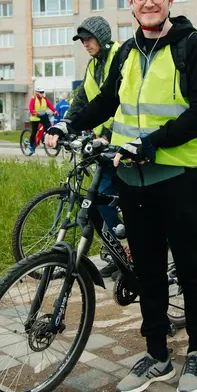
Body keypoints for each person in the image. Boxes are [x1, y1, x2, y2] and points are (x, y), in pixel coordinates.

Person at [46, 0, 197, 392]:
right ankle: (158, 354)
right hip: (132, 179)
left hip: (179, 176)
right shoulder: (124, 52)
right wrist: (68, 123)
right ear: (130, 2)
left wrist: (152, 142)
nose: (148, 2)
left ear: (170, 0)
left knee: (191, 265)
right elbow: (106, 102)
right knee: (146, 271)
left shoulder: (192, 46)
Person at [66, 16, 125, 277]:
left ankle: (128, 248)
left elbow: (122, 101)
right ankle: (118, 252)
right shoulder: (93, 67)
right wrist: (65, 124)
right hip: (105, 143)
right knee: (102, 197)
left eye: (88, 39)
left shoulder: (121, 57)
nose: (85, 44)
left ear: (101, 37)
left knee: (108, 194)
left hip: (124, 141)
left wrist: (110, 135)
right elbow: (82, 100)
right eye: (82, 41)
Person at [28, 86, 55, 151]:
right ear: (37, 92)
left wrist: (55, 111)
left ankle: (46, 139)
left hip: (43, 116)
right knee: (34, 132)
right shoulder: (33, 98)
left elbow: (49, 105)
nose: (42, 93)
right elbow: (30, 108)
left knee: (48, 128)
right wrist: (33, 113)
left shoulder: (44, 98)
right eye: (41, 92)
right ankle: (31, 145)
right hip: (35, 117)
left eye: (43, 92)